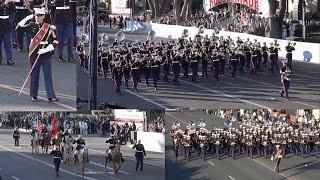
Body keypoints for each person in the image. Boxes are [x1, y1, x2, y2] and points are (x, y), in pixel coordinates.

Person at [17, 7, 59, 102]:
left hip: (45, 53)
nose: (37, 17)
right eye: (36, 16)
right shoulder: (31, 25)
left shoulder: (48, 27)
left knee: (47, 76)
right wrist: (29, 16)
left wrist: (47, 49)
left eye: (39, 16)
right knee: (34, 75)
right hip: (34, 52)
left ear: (43, 16)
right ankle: (34, 95)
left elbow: (55, 41)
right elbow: (20, 27)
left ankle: (50, 96)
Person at [0, 0, 15, 65]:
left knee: (7, 42)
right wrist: (4, 4)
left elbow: (13, 11)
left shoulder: (10, 2)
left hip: (6, 23)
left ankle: (9, 59)